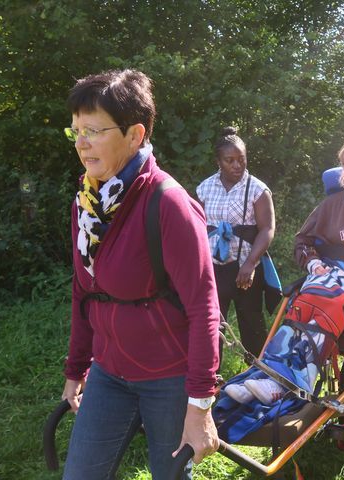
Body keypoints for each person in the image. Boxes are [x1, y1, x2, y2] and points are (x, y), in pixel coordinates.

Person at [60, 69, 220, 480]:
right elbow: (85, 291)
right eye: (76, 130)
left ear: (135, 135)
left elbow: (204, 308)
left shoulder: (169, 203)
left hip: (169, 378)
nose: (81, 143)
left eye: (93, 130)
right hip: (108, 372)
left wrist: (200, 403)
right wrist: (76, 369)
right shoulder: (86, 202)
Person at [214, 138, 344, 442]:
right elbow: (302, 242)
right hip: (329, 274)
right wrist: (313, 264)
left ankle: (290, 381)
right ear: (342, 172)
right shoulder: (331, 205)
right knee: (304, 301)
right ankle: (269, 374)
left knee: (329, 302)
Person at [196, 127, 277, 357]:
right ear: (218, 161)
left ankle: (260, 376)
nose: (236, 165)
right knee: (212, 325)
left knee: (252, 324)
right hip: (213, 268)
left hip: (245, 268)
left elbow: (267, 229)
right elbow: (197, 227)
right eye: (229, 160)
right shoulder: (205, 188)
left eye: (241, 159)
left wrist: (251, 264)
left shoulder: (257, 190)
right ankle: (211, 379)